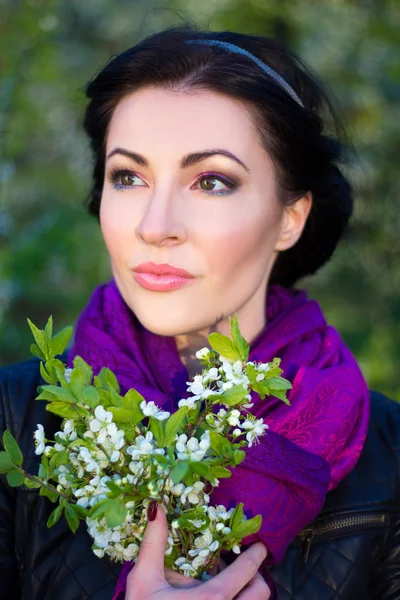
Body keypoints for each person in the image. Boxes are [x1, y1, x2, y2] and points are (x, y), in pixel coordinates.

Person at [0, 23, 399, 600]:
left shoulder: (387, 458)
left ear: (290, 217)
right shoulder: (13, 422)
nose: (155, 226)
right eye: (128, 177)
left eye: (211, 181)